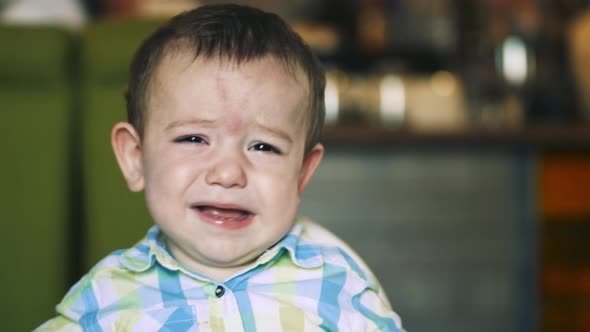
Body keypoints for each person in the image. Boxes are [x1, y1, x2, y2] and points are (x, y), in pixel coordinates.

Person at [36, 4, 403, 331]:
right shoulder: (102, 303)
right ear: (135, 157)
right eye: (193, 139)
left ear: (302, 173)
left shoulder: (341, 291)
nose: (228, 174)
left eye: (264, 146)